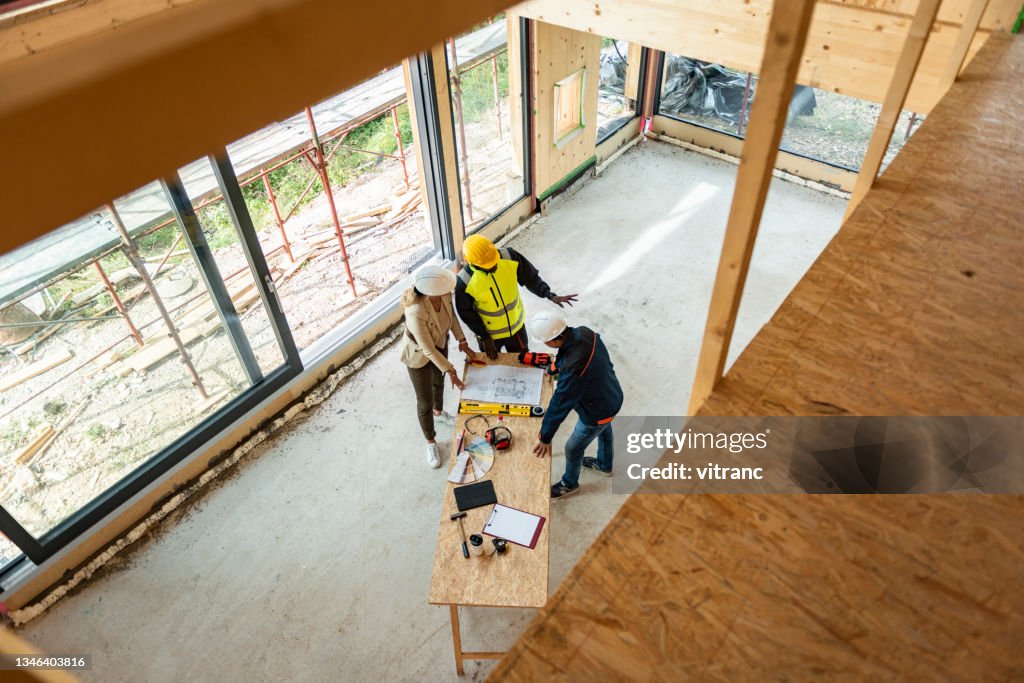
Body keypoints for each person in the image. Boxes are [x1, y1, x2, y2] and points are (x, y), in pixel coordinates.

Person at [529, 310, 624, 499]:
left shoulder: (574, 370)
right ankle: (605, 465)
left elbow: (560, 403)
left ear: (554, 340)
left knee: (573, 448)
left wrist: (545, 437)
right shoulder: (585, 332)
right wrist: (555, 367)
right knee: (604, 430)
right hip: (612, 396)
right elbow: (569, 354)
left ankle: (569, 483)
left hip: (596, 412)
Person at [401, 265, 478, 468]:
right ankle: (430, 441)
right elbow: (427, 349)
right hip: (419, 355)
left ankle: (439, 412)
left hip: (440, 344)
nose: (450, 291)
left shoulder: (443, 295)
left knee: (439, 384)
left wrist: (462, 340)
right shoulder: (415, 309)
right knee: (424, 400)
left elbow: (452, 320)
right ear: (431, 291)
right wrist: (451, 370)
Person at [455, 234, 578, 359]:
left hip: (516, 329)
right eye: (488, 266)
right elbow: (466, 313)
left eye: (494, 261)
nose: (493, 266)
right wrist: (484, 336)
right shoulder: (465, 280)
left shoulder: (510, 257)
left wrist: (549, 294)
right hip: (490, 336)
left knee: (523, 360)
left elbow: (530, 278)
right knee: (494, 366)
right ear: (472, 262)